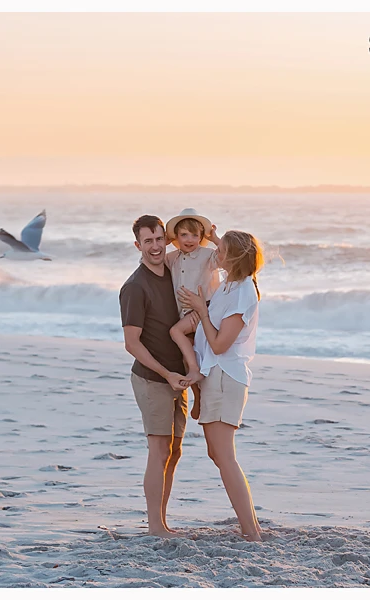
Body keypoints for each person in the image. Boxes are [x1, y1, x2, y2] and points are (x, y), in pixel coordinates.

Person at [178, 230, 265, 541]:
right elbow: (235, 251)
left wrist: (201, 309)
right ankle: (251, 526)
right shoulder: (231, 282)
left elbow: (218, 344)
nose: (215, 252)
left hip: (225, 375)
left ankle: (251, 533)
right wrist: (216, 238)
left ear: (235, 258)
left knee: (224, 456)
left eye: (221, 250)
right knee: (217, 453)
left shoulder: (242, 291)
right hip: (215, 375)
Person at [119, 215, 189, 538]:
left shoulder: (173, 272)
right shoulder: (135, 287)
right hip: (152, 377)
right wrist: (167, 374)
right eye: (148, 241)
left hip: (178, 378)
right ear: (138, 245)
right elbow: (131, 343)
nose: (156, 246)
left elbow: (199, 253)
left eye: (160, 239)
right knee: (159, 450)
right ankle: (155, 527)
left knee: (174, 452)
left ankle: (162, 520)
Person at [164, 208, 222, 421]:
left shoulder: (207, 255)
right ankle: (198, 397)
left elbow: (228, 256)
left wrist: (215, 238)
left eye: (195, 235)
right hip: (184, 313)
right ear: (176, 238)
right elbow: (150, 262)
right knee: (186, 356)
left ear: (201, 237)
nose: (189, 239)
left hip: (203, 308)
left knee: (176, 332)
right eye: (184, 235)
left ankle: (196, 372)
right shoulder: (173, 258)